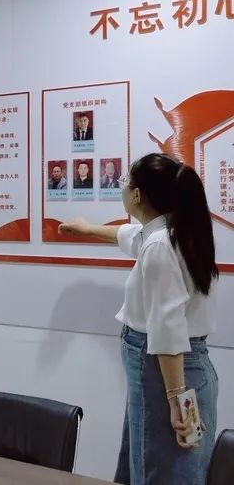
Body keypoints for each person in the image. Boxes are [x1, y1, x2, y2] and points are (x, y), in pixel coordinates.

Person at [59, 153, 219, 485]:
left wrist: (175, 398)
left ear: (136, 194)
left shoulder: (159, 246)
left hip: (166, 369)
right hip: (180, 366)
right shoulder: (174, 232)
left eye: (125, 182)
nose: (122, 187)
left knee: (158, 468)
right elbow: (133, 237)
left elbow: (167, 327)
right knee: (154, 459)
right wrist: (87, 230)